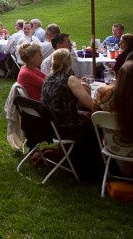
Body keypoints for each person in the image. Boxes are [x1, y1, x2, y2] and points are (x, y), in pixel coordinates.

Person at [41, 48, 99, 180]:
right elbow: (91, 105)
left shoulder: (48, 77)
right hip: (67, 128)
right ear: (68, 62)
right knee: (94, 121)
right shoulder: (70, 79)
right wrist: (88, 93)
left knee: (85, 116)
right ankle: (92, 167)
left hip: (49, 126)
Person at [93, 60, 133, 161]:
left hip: (111, 145)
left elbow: (94, 112)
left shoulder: (102, 93)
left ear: (119, 74)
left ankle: (124, 167)